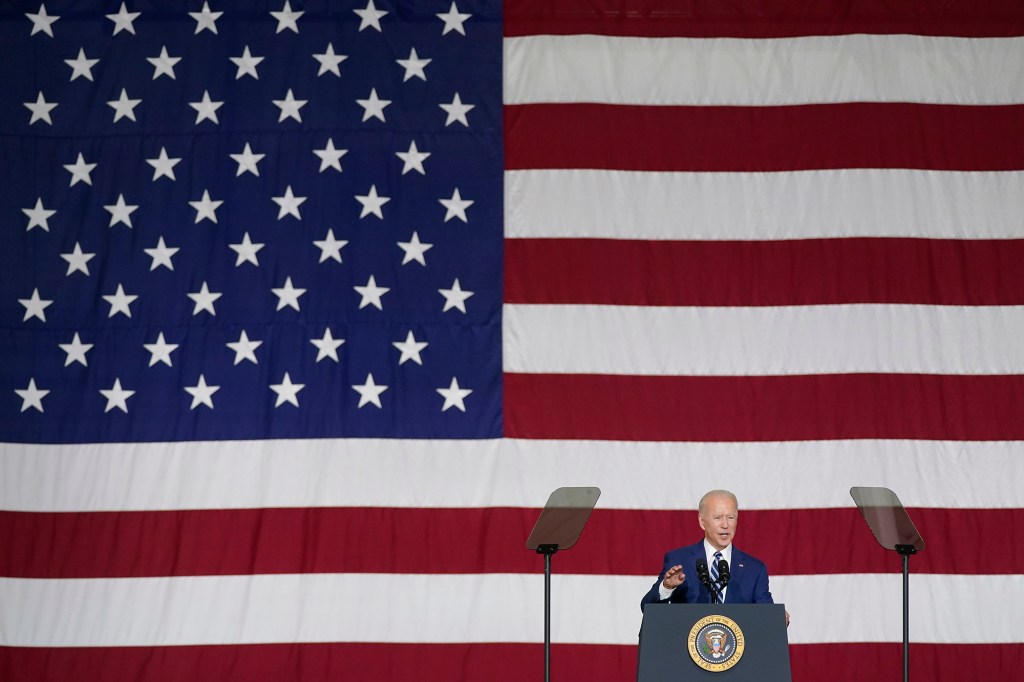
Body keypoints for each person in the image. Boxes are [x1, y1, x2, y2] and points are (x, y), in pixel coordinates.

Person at [640, 490, 779, 613]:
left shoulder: (754, 568)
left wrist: (778, 619)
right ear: (702, 521)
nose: (725, 525)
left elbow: (766, 615)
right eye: (717, 518)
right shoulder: (679, 560)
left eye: (731, 517)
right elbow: (647, 608)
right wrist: (666, 587)